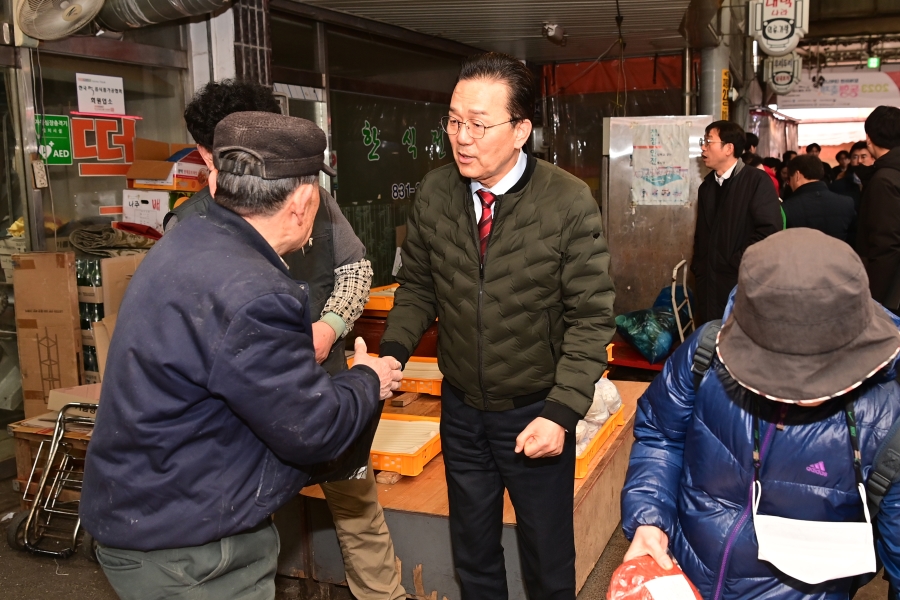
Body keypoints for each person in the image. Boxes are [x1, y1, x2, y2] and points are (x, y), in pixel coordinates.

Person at [80, 112, 404, 600]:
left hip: (147, 510)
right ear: (303, 203)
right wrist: (366, 378)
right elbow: (311, 429)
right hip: (189, 550)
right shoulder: (255, 293)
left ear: (215, 181)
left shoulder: (185, 241)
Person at [379, 51, 615, 600]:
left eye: (478, 124)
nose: (462, 137)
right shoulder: (437, 192)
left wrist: (561, 412)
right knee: (474, 550)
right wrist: (393, 351)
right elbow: (417, 285)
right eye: (455, 121)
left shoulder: (567, 202)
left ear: (520, 131)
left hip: (536, 410)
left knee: (546, 553)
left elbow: (590, 317)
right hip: (461, 409)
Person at [165, 80, 406, 600]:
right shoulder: (189, 229)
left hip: (332, 384)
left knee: (357, 507)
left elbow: (357, 267)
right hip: (244, 412)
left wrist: (330, 327)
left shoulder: (313, 198)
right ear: (212, 154)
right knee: (251, 520)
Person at [621, 227, 900, 599]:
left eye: (822, 374)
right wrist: (650, 518)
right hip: (686, 574)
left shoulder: (887, 419)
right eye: (777, 372)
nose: (799, 393)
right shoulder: (705, 355)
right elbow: (661, 434)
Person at [691, 120, 782, 325]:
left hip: (741, 282)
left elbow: (769, 233)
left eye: (708, 141)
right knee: (711, 338)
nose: (703, 147)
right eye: (703, 142)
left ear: (728, 148)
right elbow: (702, 235)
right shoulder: (706, 187)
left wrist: (736, 262)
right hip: (709, 284)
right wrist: (699, 267)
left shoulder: (756, 181)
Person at [856, 105, 900, 315]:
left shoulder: (884, 180)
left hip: (892, 293)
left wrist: (874, 300)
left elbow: (886, 244)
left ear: (869, 138)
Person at [782, 155, 856, 243]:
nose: (789, 184)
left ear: (797, 175)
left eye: (789, 179)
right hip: (839, 256)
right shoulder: (847, 202)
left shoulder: (786, 208)